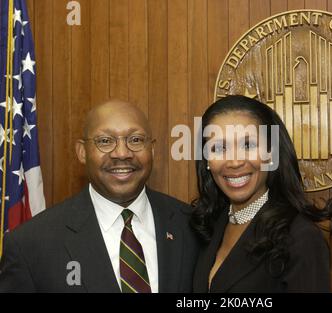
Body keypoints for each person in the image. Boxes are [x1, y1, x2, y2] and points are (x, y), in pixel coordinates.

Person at [0, 100, 198, 293]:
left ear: (152, 149)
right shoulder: (30, 244)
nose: (122, 153)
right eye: (105, 141)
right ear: (82, 152)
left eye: (135, 140)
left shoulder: (193, 225)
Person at [191, 95, 332, 293]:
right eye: (219, 148)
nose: (234, 162)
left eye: (248, 145)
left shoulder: (300, 238)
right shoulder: (208, 226)